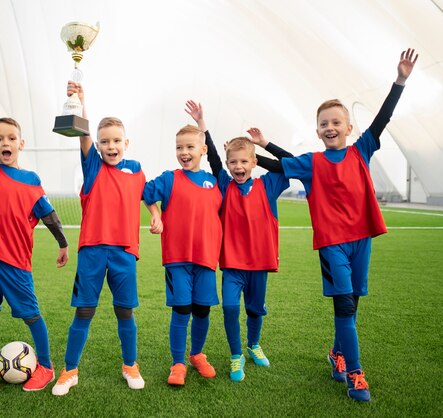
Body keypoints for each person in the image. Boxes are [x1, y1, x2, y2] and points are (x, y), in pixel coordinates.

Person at [255, 48, 418, 402]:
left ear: (348, 127)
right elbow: (283, 165)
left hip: (362, 240)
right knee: (343, 306)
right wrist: (257, 152)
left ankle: (337, 354)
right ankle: (355, 376)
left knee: (354, 303)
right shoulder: (313, 162)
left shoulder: (361, 150)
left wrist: (400, 80)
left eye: (335, 122)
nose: (330, 127)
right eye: (324, 124)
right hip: (333, 245)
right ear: (317, 131)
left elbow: (383, 119)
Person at [51, 82, 162, 396]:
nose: (110, 146)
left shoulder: (136, 170)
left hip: (125, 253)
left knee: (124, 311)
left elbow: (147, 195)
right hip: (92, 252)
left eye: (116, 141)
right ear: (97, 146)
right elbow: (83, 136)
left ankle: (130, 365)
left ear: (126, 142)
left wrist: (156, 213)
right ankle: (69, 371)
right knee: (84, 312)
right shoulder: (93, 167)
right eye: (104, 142)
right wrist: (82, 102)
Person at [0, 81, 69, 392]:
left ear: (21, 143)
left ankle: (47, 367)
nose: (4, 143)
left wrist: (63, 243)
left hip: (15, 263)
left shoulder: (30, 180)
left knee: (31, 315)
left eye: (10, 138)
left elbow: (48, 214)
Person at [185, 100, 292, 382]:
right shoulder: (225, 184)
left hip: (259, 264)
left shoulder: (268, 185)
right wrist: (202, 125)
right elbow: (214, 162)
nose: (238, 166)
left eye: (245, 161)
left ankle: (254, 344)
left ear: (254, 164)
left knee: (255, 309)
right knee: (231, 308)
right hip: (232, 264)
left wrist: (262, 145)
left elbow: (289, 165)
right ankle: (236, 356)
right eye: (234, 162)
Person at [142, 121, 222, 386]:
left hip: (206, 258)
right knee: (182, 309)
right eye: (179, 147)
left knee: (202, 310)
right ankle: (178, 363)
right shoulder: (169, 178)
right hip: (177, 258)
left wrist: (202, 123)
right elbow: (146, 193)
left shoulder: (215, 182)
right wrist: (157, 215)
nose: (183, 152)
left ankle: (197, 354)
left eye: (189, 147)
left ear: (203, 149)